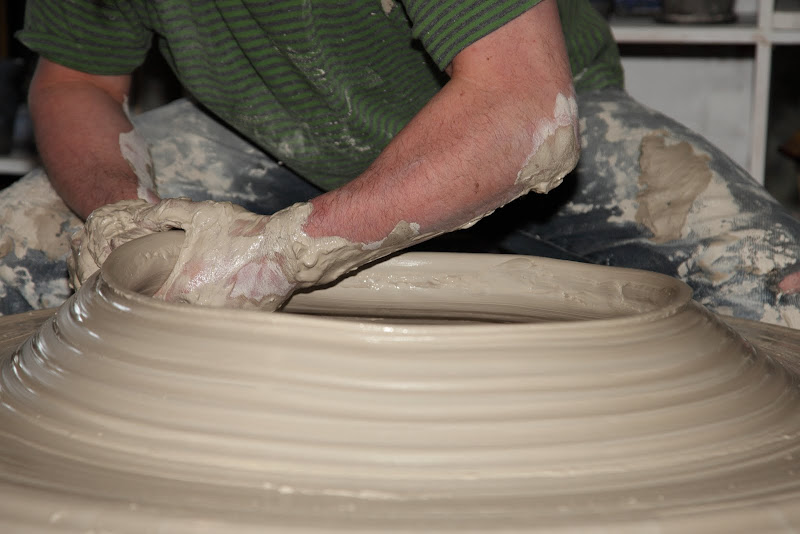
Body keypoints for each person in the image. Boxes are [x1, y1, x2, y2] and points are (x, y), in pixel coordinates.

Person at [2, 0, 799, 325]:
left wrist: (276, 256)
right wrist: (122, 218)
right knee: (22, 246)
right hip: (263, 129)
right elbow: (75, 82)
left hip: (529, 124)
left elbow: (525, 111)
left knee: (775, 289)